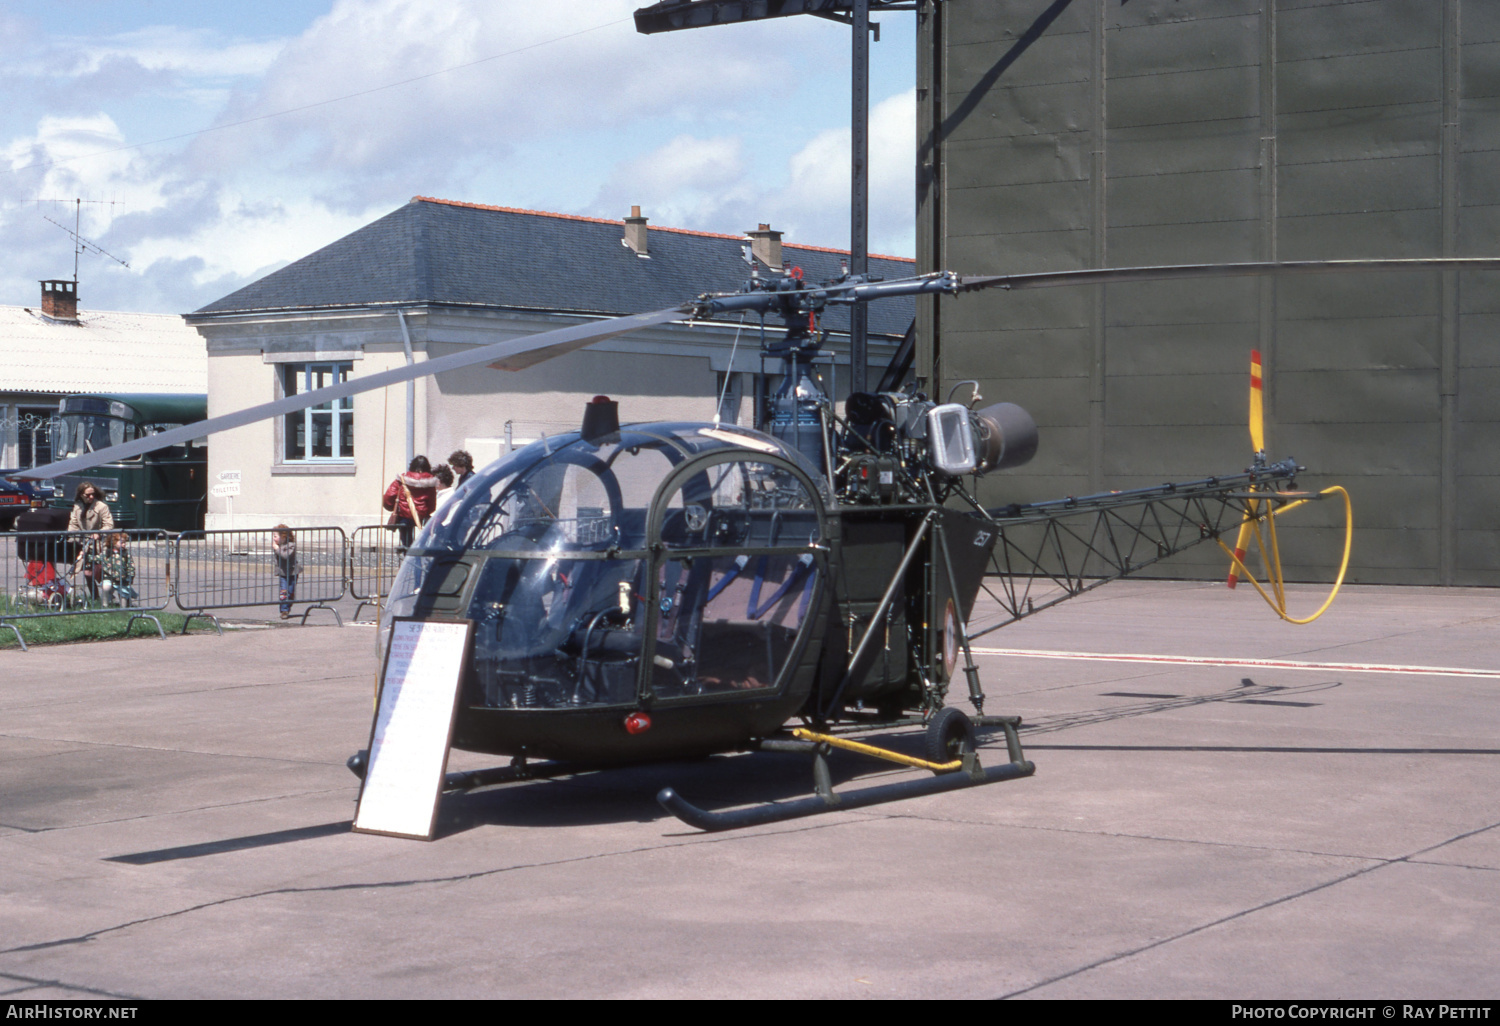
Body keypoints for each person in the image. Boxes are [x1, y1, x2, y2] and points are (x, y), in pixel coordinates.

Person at [68, 482, 113, 603]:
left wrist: (99, 532)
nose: (91, 497)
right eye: (88, 495)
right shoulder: (77, 506)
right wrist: (71, 537)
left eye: (93, 494)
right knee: (88, 573)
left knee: (103, 573)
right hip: (85, 545)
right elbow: (73, 524)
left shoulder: (101, 506)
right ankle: (95, 597)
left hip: (100, 545)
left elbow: (109, 524)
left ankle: (107, 598)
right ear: (81, 495)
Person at [383, 456, 438, 549]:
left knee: (406, 540)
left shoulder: (402, 479)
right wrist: (426, 512)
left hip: (404, 515)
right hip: (421, 516)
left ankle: (407, 553)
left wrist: (392, 507)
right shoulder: (430, 482)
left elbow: (388, 497)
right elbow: (432, 504)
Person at [97, 533, 137, 607]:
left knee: (123, 594)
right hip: (109, 577)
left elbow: (131, 566)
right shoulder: (107, 553)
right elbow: (97, 558)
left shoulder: (126, 554)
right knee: (106, 587)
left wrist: (130, 576)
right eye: (122, 542)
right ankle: (104, 605)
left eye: (125, 542)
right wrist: (86, 556)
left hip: (122, 578)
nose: (124, 544)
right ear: (114, 543)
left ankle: (123, 608)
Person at [271, 525, 297, 620]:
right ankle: (284, 610)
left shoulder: (291, 545)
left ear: (283, 537)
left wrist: (277, 549)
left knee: (290, 591)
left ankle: (288, 605)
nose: (273, 538)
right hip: (283, 573)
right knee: (284, 591)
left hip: (292, 572)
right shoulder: (278, 546)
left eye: (275, 536)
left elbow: (285, 556)